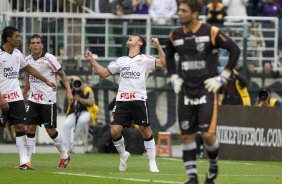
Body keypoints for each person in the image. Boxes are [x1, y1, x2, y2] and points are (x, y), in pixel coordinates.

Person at [165, 0, 240, 183]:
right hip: (185, 92)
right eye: (179, 10)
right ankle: (192, 178)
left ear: (195, 13)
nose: (179, 13)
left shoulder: (211, 32)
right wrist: (174, 76)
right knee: (187, 136)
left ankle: (213, 165)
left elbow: (235, 50)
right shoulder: (175, 35)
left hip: (206, 90)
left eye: (183, 10)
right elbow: (168, 55)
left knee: (207, 135)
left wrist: (223, 77)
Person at [84, 33, 166, 172]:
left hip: (138, 99)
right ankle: (123, 154)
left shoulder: (144, 59)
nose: (130, 37)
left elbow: (163, 63)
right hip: (122, 100)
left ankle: (152, 162)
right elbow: (104, 73)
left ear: (140, 43)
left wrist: (158, 46)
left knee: (145, 130)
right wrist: (92, 60)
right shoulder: (121, 60)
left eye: (133, 37)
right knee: (114, 131)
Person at [0, 26, 57, 170]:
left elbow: (30, 70)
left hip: (16, 97)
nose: (19, 38)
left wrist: (46, 80)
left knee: (20, 127)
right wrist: (1, 98)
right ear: (8, 38)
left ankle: (24, 162)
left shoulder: (18, 54)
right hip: (1, 99)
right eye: (16, 36)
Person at [22, 34, 73, 169]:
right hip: (33, 100)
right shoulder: (27, 60)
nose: (35, 45)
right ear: (29, 46)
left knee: (50, 131)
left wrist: (69, 91)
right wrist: (23, 94)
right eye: (32, 43)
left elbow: (62, 74)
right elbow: (29, 79)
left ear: (42, 45)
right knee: (30, 128)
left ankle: (64, 155)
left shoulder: (49, 58)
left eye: (38, 42)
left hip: (48, 101)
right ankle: (26, 161)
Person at [63, 75, 98, 153]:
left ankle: (73, 141)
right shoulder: (71, 89)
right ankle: (66, 147)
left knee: (82, 120)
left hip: (86, 111)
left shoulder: (87, 90)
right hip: (74, 112)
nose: (77, 84)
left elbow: (91, 102)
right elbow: (62, 81)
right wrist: (71, 77)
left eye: (79, 82)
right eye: (75, 82)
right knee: (66, 125)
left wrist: (80, 99)